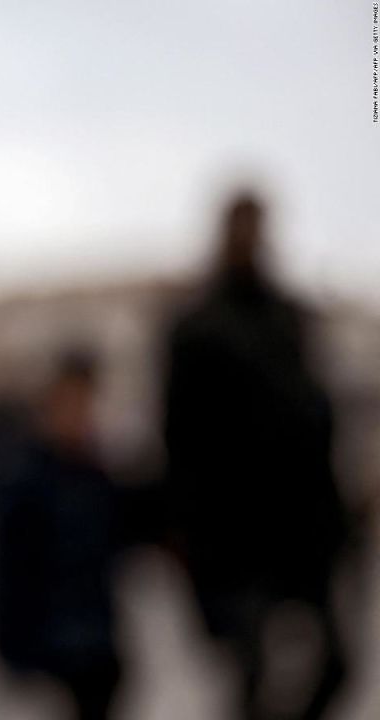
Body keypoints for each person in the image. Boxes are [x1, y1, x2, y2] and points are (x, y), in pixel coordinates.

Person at [163, 191, 347, 719]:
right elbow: (181, 438)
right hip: (231, 533)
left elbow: (315, 418)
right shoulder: (198, 327)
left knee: (333, 663)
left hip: (299, 527)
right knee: (252, 667)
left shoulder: (286, 317)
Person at [0, 351, 122, 720]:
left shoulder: (98, 475)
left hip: (96, 642)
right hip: (50, 644)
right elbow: (10, 572)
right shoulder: (25, 481)